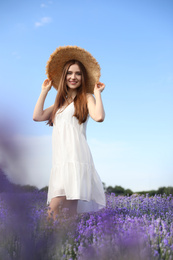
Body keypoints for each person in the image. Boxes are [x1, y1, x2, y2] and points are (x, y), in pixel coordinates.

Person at [33, 46, 106, 219]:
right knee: (68, 213)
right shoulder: (60, 103)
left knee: (55, 207)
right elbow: (37, 116)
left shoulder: (86, 98)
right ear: (64, 76)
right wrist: (44, 91)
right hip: (60, 160)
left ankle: (47, 243)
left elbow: (99, 116)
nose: (73, 77)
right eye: (70, 73)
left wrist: (97, 93)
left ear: (83, 77)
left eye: (78, 73)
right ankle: (68, 242)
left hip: (76, 158)